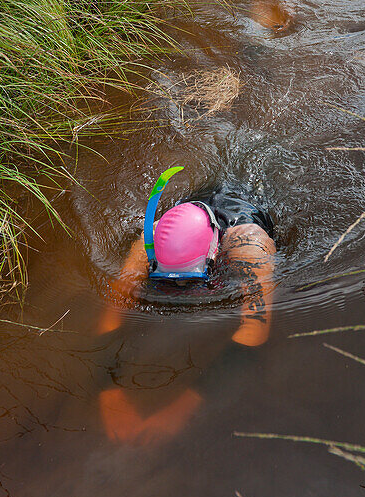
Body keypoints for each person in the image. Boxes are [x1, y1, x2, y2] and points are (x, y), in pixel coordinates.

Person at [97, 167, 277, 443]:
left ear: (213, 256)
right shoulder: (148, 246)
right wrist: (108, 390)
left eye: (189, 282)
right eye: (168, 283)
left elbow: (253, 333)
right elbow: (112, 317)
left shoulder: (250, 248)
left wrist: (182, 408)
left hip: (248, 201)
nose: (180, 292)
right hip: (193, 209)